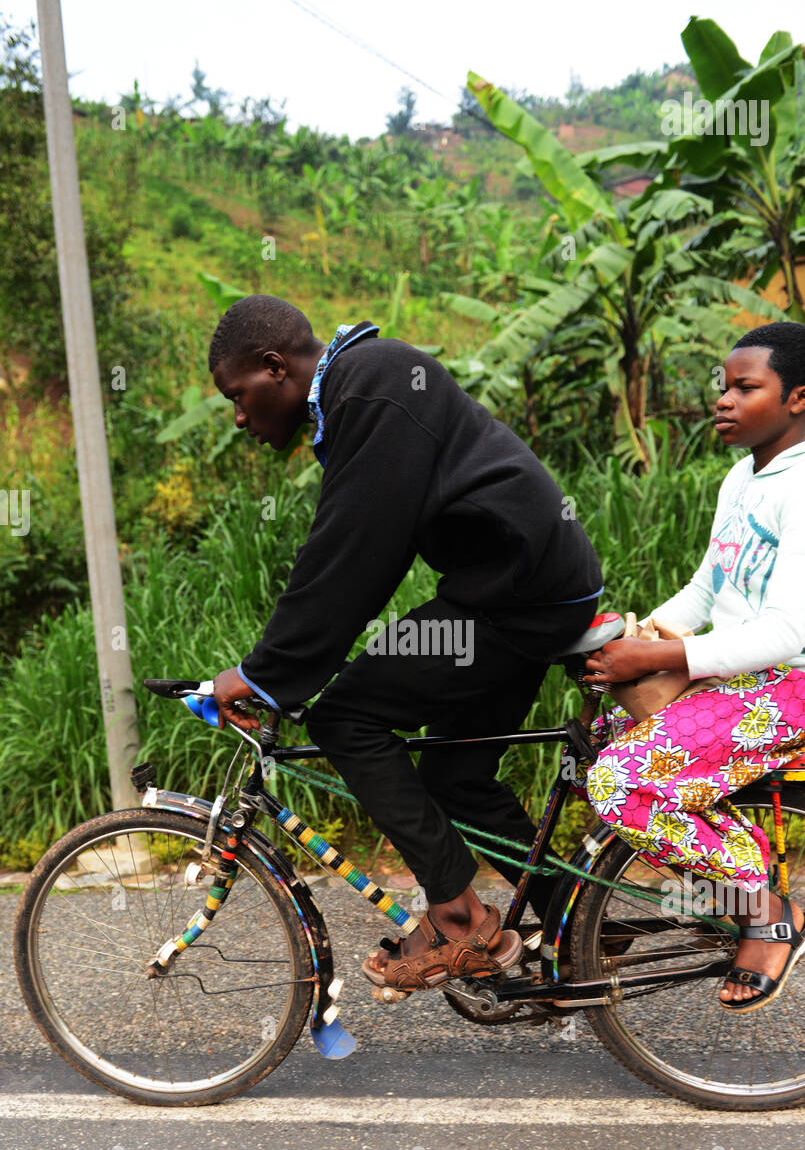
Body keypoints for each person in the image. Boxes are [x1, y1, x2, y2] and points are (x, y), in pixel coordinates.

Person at [208, 296, 603, 994]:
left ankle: (457, 917)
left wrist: (261, 673)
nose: (238, 417)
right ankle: (582, 925)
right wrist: (274, 667)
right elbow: (345, 547)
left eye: (237, 396)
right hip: (529, 589)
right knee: (455, 776)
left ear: (275, 368)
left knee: (346, 718)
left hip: (516, 598)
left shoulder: (371, 386)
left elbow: (354, 557)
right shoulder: (363, 388)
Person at [582, 322, 805, 1012]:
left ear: (800, 397)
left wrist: (659, 656)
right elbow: (708, 590)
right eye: (723, 386)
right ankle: (613, 909)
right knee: (596, 724)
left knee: (618, 780)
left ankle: (765, 911)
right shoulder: (743, 475)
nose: (723, 400)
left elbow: (784, 632)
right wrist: (627, 643)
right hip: (748, 673)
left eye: (745, 387)